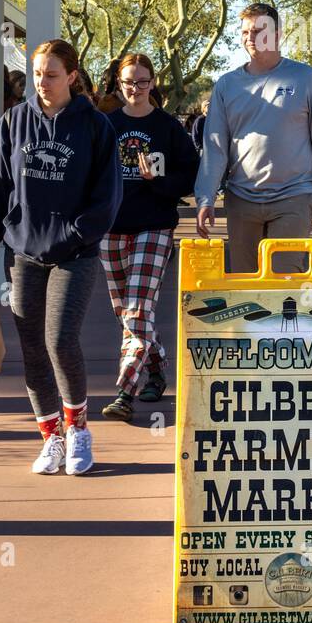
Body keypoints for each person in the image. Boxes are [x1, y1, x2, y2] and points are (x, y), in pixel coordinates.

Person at [0, 40, 122, 476]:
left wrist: (75, 235)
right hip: (24, 254)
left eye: (51, 75)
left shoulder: (95, 127)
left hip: (75, 254)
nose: (42, 82)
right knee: (32, 346)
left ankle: (79, 431)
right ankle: (50, 437)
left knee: (59, 340)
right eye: (37, 74)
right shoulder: (14, 122)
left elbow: (106, 197)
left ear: (72, 76)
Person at [195, 2, 312, 272]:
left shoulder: (305, 78)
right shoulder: (227, 85)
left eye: (258, 31)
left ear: (277, 35)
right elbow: (215, 147)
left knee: (283, 279)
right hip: (241, 198)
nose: (250, 38)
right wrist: (205, 198)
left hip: (294, 195)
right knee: (246, 285)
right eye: (244, 32)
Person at [99, 53, 199, 423]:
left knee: (137, 309)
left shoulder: (168, 127)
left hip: (154, 227)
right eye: (128, 81)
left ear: (153, 83)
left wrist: (159, 184)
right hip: (111, 229)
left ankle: (125, 391)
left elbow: (190, 176)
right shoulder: (105, 125)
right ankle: (156, 368)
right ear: (118, 83)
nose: (135, 89)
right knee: (126, 314)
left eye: (142, 81)